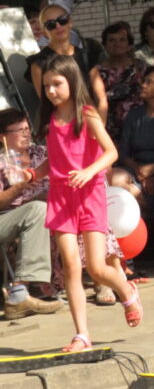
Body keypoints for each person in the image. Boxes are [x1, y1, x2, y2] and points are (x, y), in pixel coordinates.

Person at [28, 55, 142, 352]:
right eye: (47, 86)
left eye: (57, 84)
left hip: (90, 196)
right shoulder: (50, 121)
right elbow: (54, 159)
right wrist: (33, 174)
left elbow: (111, 152)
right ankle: (82, 335)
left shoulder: (87, 114)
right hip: (60, 198)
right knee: (70, 266)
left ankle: (126, 290)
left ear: (71, 81)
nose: (51, 91)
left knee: (97, 267)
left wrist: (90, 171)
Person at [0, 108, 64, 320]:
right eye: (19, 130)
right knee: (38, 210)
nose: (26, 133)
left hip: (51, 209)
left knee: (72, 211)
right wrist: (20, 186)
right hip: (8, 216)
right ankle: (20, 294)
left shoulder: (41, 153)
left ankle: (101, 281)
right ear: (2, 136)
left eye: (27, 128)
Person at [26, 1, 108, 124]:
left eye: (62, 20)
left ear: (70, 22)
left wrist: (99, 127)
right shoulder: (39, 63)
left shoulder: (86, 55)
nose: (58, 26)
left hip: (92, 122)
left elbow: (101, 98)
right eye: (51, 24)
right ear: (44, 32)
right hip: (64, 126)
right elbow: (47, 104)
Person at [110, 66, 154, 209]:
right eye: (144, 81)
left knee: (127, 193)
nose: (143, 85)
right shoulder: (134, 116)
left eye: (149, 82)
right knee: (114, 178)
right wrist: (140, 172)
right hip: (136, 170)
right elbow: (124, 154)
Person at [97, 21, 146, 144]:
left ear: (129, 44)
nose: (117, 44)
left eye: (122, 40)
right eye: (112, 40)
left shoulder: (140, 67)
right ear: (105, 45)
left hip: (139, 127)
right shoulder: (97, 72)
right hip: (110, 131)